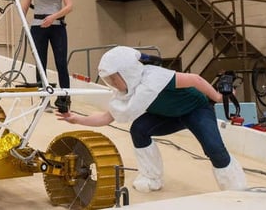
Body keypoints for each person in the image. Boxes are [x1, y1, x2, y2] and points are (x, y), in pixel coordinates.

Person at [57, 46, 247, 192]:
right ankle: (151, 178)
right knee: (139, 129)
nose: (113, 83)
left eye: (115, 78)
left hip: (195, 109)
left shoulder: (156, 77)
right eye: (109, 80)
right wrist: (76, 119)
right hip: (167, 116)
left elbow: (195, 79)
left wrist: (218, 97)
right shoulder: (127, 93)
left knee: (214, 148)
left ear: (128, 71)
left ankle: (235, 189)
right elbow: (107, 117)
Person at [20, 0, 73, 112]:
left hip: (57, 27)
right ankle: (44, 100)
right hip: (38, 27)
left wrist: (53, 17)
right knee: (40, 63)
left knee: (61, 63)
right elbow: (24, 7)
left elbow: (70, 6)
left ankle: (64, 99)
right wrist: (24, 24)